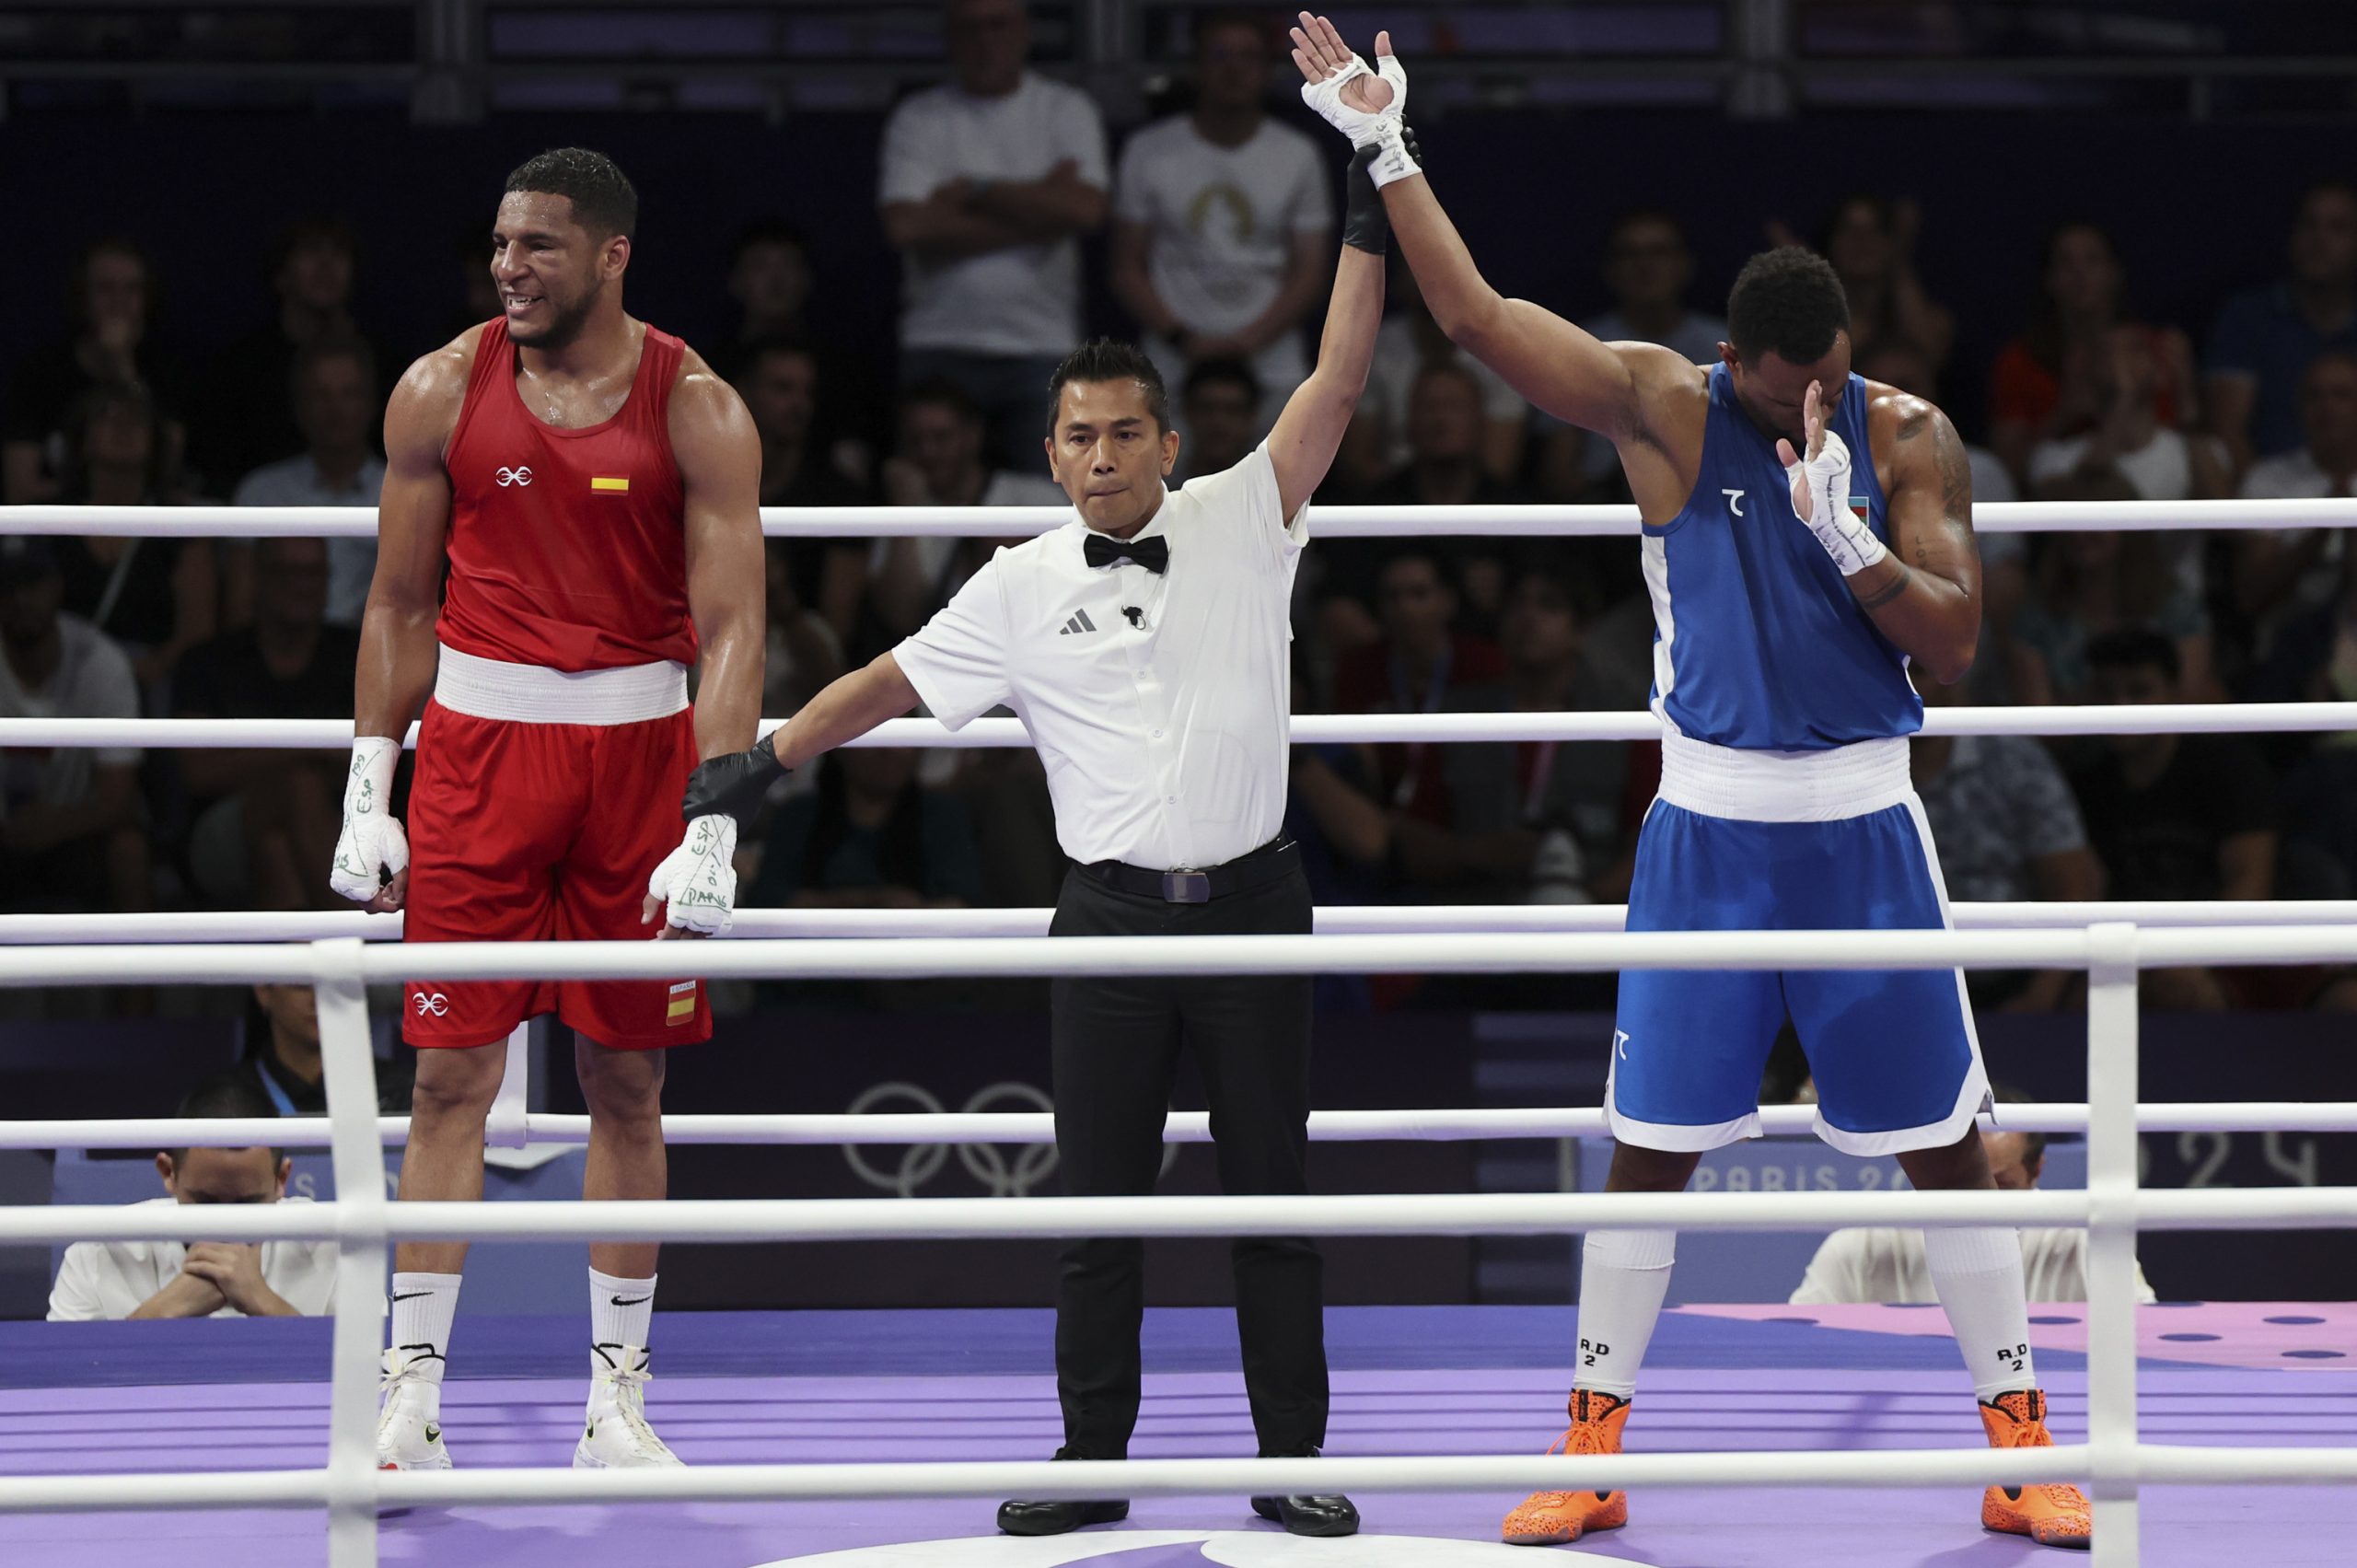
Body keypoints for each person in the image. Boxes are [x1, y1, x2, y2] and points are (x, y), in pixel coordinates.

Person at [1287, 15, 2089, 1550]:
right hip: (1707, 829)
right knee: (1646, 1139)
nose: (1806, 411)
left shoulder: (1910, 436)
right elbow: (1473, 322)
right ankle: (1589, 1446)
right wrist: (1386, 147)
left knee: (1941, 1137)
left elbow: (1963, 636)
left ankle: (2018, 1441)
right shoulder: (1666, 403)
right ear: (1740, 361)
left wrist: (1852, 538)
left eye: (1827, 383)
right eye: (1783, 389)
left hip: (1864, 827)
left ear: (1850, 356)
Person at [689, 108, 1397, 1535]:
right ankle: (1090, 1458)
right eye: (1080, 435)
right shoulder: (1013, 583)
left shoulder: (1247, 508)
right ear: (1055, 449)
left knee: (1274, 1191)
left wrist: (1376, 193)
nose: (1102, 454)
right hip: (1111, 918)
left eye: (1126, 431)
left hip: (1257, 903)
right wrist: (768, 753)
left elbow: (1334, 374)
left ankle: (1296, 1455)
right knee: (1099, 1206)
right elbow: (890, 679)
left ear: (1167, 440)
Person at [326, 148, 765, 1475]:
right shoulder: (440, 390)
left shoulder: (697, 406)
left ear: (613, 255)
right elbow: (400, 602)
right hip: (479, 757)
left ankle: (617, 1404)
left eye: (540, 246)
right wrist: (369, 786)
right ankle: (411, 1398)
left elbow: (735, 622)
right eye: (501, 245)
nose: (509, 266)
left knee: (627, 1078)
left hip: (639, 757)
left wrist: (716, 816)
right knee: (450, 1075)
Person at [878, 0, 1109, 467]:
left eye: (998, 24)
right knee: (929, 513)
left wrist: (975, 190)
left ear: (1025, 31)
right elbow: (907, 225)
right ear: (950, 37)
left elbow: (1085, 211)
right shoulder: (919, 119)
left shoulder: (1065, 110)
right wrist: (1041, 210)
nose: (985, 40)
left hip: (1042, 346)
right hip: (939, 341)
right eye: (970, 28)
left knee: (1047, 511)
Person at [1110, 7, 1333, 422]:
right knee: (1166, 488)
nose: (1233, 70)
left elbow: (1310, 273)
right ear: (1196, 67)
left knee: (1279, 488)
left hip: (1272, 363)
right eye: (1219, 56)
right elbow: (1127, 268)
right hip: (1170, 363)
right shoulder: (1148, 151)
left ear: (1267, 69)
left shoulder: (1298, 156)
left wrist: (1248, 342)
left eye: (1248, 57)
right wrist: (1183, 338)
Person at [1790, 1090, 2157, 1306]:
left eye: (2002, 1185)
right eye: (1962, 1185)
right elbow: (1797, 1345)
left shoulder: (2083, 1245)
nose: (1981, 1203)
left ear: (2036, 1171)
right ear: (1925, 1167)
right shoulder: (1860, 1247)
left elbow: (2146, 1341)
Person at [2073, 628, 2277, 1011]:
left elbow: (2250, 884)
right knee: (2078, 1000)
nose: (2121, 708)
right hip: (2123, 951)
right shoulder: (2086, 783)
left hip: (2224, 953)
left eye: (2139, 691)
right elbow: (2085, 890)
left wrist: (2192, 958)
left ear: (2175, 692)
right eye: (2106, 692)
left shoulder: (2230, 769)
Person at [47, 1073, 337, 1321]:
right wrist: (163, 1312)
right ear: (168, 1172)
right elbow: (56, 1380)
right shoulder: (97, 1253)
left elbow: (377, 1374)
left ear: (281, 1180)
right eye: (206, 1202)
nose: (226, 1227)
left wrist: (264, 1302)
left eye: (247, 1204)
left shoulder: (334, 1247)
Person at [172, 537, 361, 911]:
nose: (303, 585)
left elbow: (382, 755)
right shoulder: (207, 662)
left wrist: (256, 752)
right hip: (224, 830)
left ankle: (289, 966)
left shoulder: (356, 653)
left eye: (314, 572)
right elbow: (197, 771)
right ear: (258, 576)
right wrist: (311, 744)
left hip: (344, 819)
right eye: (289, 571)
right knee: (300, 786)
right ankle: (357, 936)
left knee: (278, 850)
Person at [1910, 674, 2102, 1012]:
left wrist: (2041, 996)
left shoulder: (2013, 758)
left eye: (1917, 673)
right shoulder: (1852, 763)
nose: (1905, 684)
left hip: (2014, 974)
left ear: (1949, 676)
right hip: (1899, 974)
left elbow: (2075, 887)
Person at [1536, 209, 1731, 504]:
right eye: (1630, 254)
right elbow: (1558, 472)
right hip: (1599, 517)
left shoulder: (1726, 347)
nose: (1645, 265)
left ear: (1685, 264)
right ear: (1610, 269)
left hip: (1710, 504)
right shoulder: (1577, 345)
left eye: (1659, 252)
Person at [0, 536, 148, 916]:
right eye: (7, 585)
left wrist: (56, 824)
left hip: (78, 833)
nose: (19, 599)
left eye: (32, 584)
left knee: (128, 848)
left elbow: (119, 797)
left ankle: (142, 974)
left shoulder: (101, 662)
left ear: (57, 585)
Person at [1989, 221, 2193, 492]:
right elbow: (2005, 474)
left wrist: (2185, 393)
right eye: (2066, 262)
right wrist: (2064, 413)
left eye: (2093, 260)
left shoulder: (2156, 351)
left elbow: (2189, 449)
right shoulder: (2021, 361)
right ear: (2049, 279)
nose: (2080, 273)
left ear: (2115, 272)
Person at [52, 380, 216, 691]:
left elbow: (196, 631)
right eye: (108, 415)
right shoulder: (45, 520)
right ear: (82, 440)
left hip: (152, 681)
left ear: (155, 440)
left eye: (137, 419)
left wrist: (145, 668)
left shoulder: (182, 525)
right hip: (59, 679)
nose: (123, 426)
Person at [3, 237, 192, 505]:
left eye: (132, 289)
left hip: (145, 531)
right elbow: (19, 490)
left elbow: (165, 474)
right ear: (82, 297)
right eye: (105, 289)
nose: (119, 302)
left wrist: (123, 369)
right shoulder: (40, 373)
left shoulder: (169, 370)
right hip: (58, 532)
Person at [201, 216, 387, 492]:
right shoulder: (242, 367)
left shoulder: (384, 361)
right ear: (281, 274)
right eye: (311, 250)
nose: (326, 266)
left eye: (338, 252)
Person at [230, 336, 388, 630]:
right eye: (320, 395)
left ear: (372, 402)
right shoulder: (262, 492)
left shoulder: (404, 491)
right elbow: (239, 613)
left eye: (349, 393)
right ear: (299, 406)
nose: (335, 409)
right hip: (278, 657)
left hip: (373, 658)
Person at [2206, 178, 2357, 478]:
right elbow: (2226, 430)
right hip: (2269, 492)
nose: (2320, 240)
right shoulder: (2247, 316)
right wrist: (2270, 502)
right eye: (2309, 225)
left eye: (2337, 227)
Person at [1176, 356, 1262, 483]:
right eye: (1206, 409)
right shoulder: (1158, 492)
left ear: (1252, 417)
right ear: (1187, 413)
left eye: (1233, 411)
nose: (1218, 421)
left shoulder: (1274, 491)